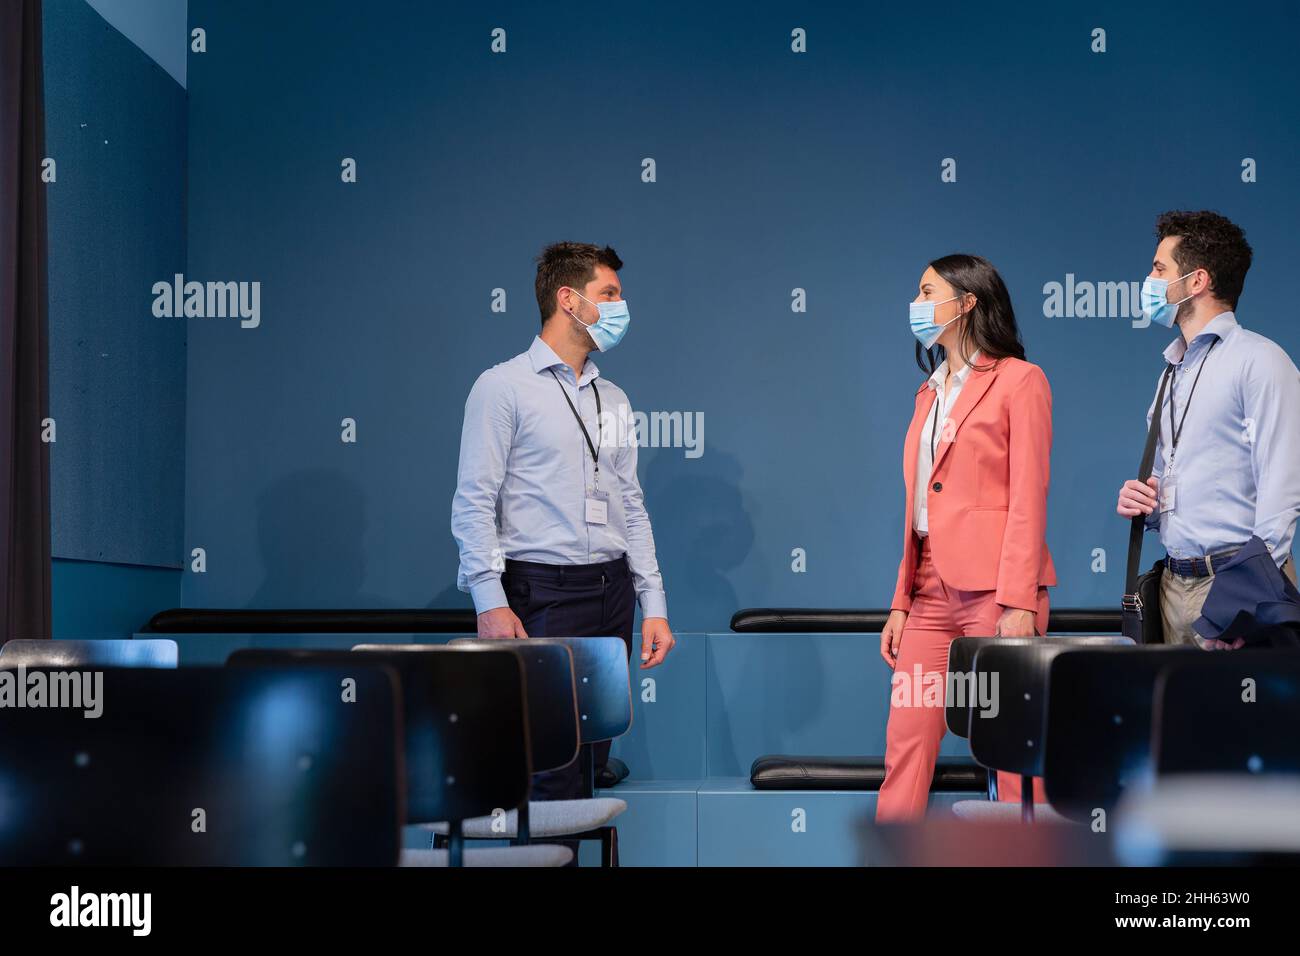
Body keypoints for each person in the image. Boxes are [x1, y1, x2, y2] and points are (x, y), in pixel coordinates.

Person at [451, 241, 675, 804]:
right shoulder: (502, 387)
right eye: (610, 295)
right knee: (548, 769)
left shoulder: (615, 399)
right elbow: (474, 501)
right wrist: (488, 601)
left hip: (612, 590)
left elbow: (632, 503)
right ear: (568, 299)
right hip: (540, 592)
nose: (621, 308)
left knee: (592, 763)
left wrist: (655, 606)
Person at [876, 254, 1056, 822]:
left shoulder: (1020, 381)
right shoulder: (927, 394)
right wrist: (901, 600)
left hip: (996, 593)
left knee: (1012, 758)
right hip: (928, 592)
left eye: (927, 291)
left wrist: (1018, 602)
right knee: (905, 745)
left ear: (967, 301)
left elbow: (1029, 497)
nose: (917, 303)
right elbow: (918, 507)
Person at [1116, 210, 1300, 648]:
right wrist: (1147, 503)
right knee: (1173, 718)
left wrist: (1239, 605)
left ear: (1196, 281)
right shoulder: (1170, 372)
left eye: (1160, 269)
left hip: (1235, 588)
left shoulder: (1261, 361)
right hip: (1172, 590)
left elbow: (1284, 495)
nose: (1150, 279)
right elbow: (1169, 492)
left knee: (1242, 716)